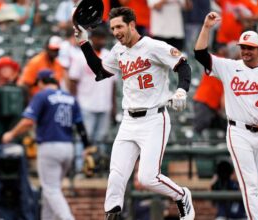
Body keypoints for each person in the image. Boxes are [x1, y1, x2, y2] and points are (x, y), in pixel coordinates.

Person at [74, 7, 195, 220]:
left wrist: (181, 91)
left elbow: (183, 66)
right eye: (112, 28)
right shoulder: (118, 50)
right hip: (129, 120)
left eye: (119, 26)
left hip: (154, 118)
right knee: (116, 176)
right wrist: (85, 43)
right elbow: (101, 71)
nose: (116, 32)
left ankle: (182, 195)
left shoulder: (153, 46)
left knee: (148, 178)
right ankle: (112, 215)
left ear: (132, 24)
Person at [194, 12, 258, 220]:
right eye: (242, 47)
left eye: (250, 48)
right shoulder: (229, 67)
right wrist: (206, 28)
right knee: (250, 185)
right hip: (238, 132)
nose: (245, 51)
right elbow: (200, 54)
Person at [2, 69, 93, 220]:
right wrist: (86, 146)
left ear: (41, 82)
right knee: (50, 191)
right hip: (68, 148)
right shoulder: (70, 97)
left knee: (51, 189)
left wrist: (11, 134)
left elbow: (28, 121)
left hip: (50, 147)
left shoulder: (42, 95)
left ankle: (68, 218)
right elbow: (80, 126)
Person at [68, 27, 116, 148]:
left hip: (105, 105)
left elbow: (113, 84)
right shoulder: (80, 56)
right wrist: (75, 103)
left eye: (103, 38)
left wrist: (113, 106)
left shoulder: (109, 56)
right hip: (85, 104)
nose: (102, 41)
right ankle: (81, 167)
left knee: (101, 139)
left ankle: (98, 166)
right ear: (92, 39)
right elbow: (73, 80)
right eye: (99, 38)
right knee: (84, 138)